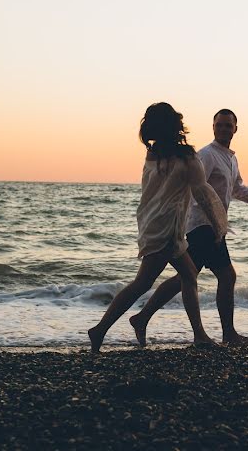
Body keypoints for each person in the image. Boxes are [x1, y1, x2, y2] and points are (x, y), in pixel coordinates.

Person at [129, 109, 248, 346]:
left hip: (213, 225)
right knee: (223, 276)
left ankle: (143, 317)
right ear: (213, 127)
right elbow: (196, 190)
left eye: (228, 126)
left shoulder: (230, 158)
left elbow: (236, 188)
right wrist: (213, 223)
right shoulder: (207, 155)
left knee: (188, 277)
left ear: (235, 129)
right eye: (219, 125)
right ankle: (227, 335)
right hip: (201, 225)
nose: (223, 129)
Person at [88, 102, 228, 352]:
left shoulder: (152, 155)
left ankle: (195, 334)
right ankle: (99, 330)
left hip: (151, 222)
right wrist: (218, 225)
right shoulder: (186, 158)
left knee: (188, 274)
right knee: (142, 283)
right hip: (167, 228)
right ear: (176, 126)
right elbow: (202, 194)